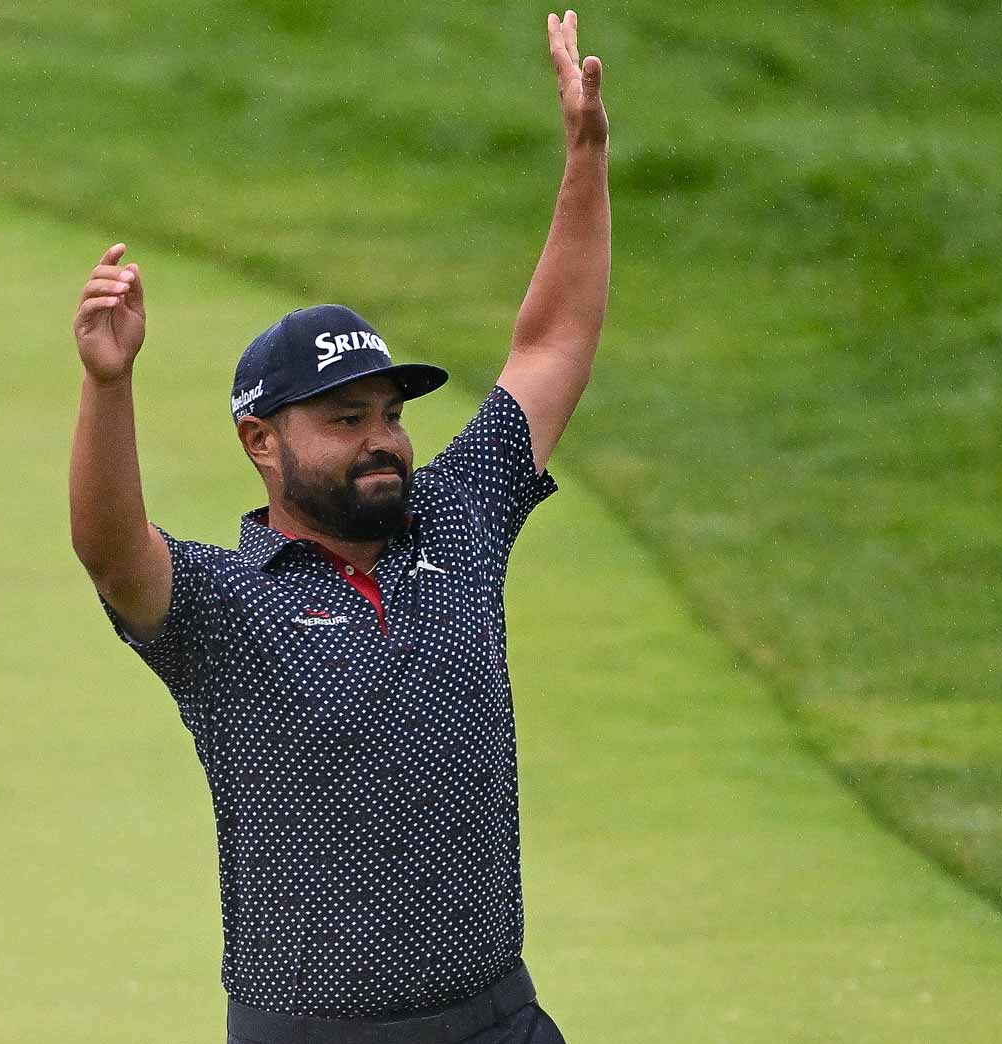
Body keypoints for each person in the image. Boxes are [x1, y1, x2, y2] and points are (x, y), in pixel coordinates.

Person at [67, 12, 608, 1043]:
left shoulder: (456, 523)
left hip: (497, 1017)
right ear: (261, 442)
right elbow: (109, 547)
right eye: (345, 419)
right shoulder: (222, 607)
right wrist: (109, 384)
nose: (384, 442)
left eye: (393, 416)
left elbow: (553, 342)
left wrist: (585, 156)